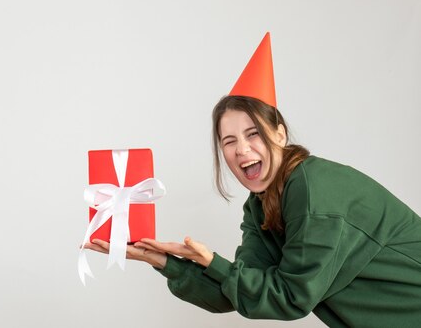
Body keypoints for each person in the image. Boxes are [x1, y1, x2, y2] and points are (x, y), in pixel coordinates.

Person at [84, 33, 421, 327]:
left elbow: (290, 298)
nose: (241, 150)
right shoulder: (260, 204)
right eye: (229, 141)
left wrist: (212, 261)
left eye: (253, 134)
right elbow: (238, 292)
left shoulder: (312, 188)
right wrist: (161, 260)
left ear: (280, 134)